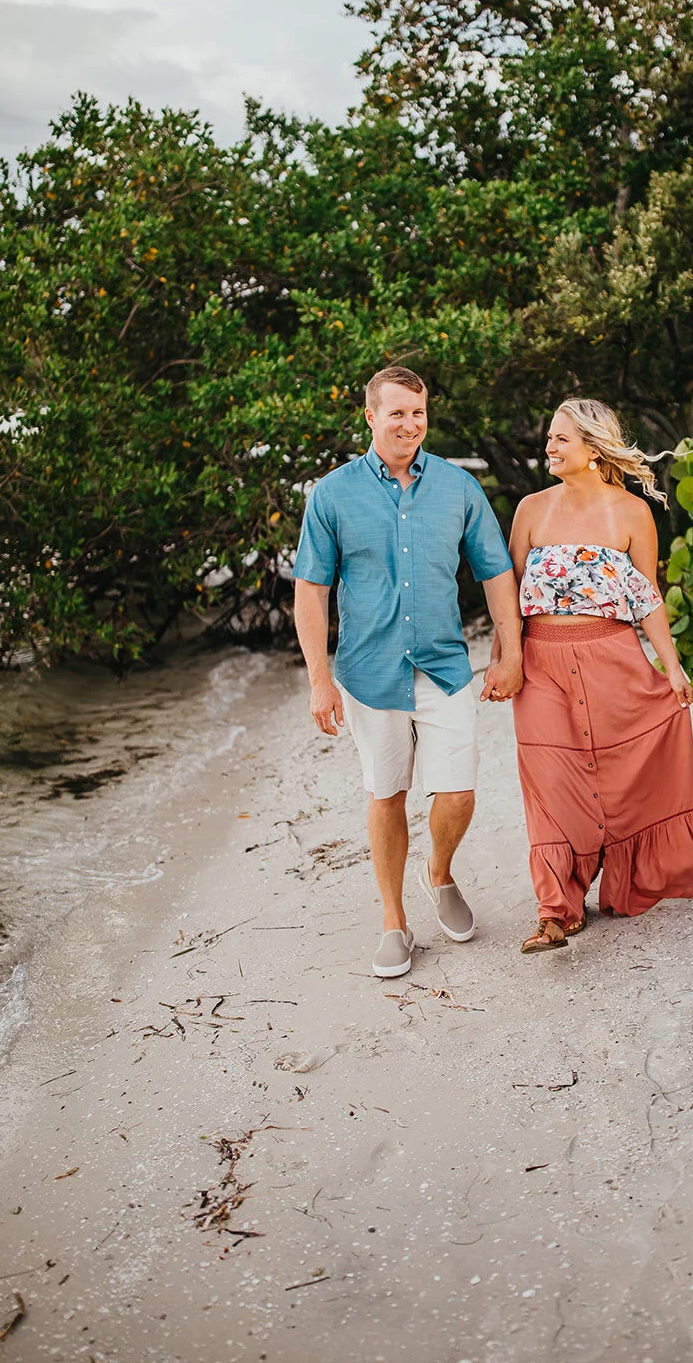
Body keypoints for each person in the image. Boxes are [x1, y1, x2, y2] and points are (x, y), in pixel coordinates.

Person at [292, 366, 523, 978]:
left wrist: (512, 651)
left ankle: (438, 873)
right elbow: (311, 592)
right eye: (396, 413)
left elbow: (497, 573)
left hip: (445, 665)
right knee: (386, 794)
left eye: (417, 413)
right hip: (368, 673)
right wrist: (318, 679)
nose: (409, 424)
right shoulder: (333, 494)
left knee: (460, 792)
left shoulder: (458, 488)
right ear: (370, 418)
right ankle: (394, 922)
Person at [501, 397, 693, 953]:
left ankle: (619, 873)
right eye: (550, 437)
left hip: (613, 657)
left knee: (619, 768)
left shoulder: (632, 514)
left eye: (561, 438)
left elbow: (647, 596)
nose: (549, 447)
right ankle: (556, 911)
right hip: (540, 664)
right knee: (549, 779)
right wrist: (504, 659)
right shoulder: (531, 510)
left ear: (592, 448)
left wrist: (672, 667)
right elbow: (507, 599)